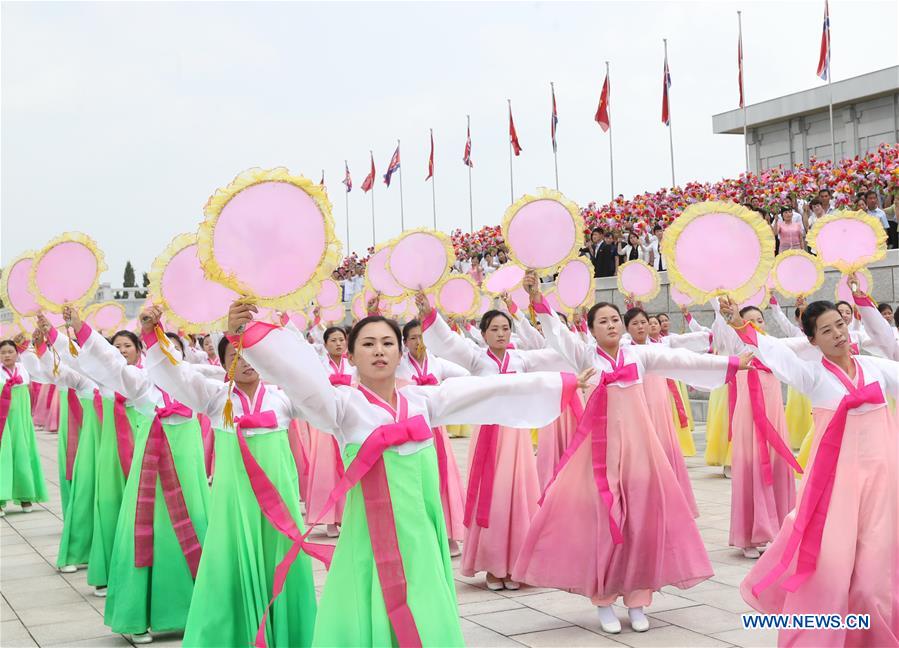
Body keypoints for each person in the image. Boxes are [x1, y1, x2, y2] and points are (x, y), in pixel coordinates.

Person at [230, 304, 590, 647]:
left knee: (424, 604)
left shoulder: (422, 401)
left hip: (421, 534)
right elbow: (298, 376)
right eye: (368, 344)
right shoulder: (343, 407)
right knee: (372, 609)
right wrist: (243, 333)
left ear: (401, 353)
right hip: (369, 539)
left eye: (388, 343)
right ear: (352, 356)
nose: (379, 351)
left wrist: (564, 385)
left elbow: (487, 389)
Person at [513, 280, 750, 634]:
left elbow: (681, 360)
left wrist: (730, 363)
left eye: (614, 319)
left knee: (640, 521)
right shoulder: (585, 357)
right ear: (591, 331)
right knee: (605, 524)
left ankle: (638, 600)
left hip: (640, 453)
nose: (611, 325)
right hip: (598, 457)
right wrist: (538, 301)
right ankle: (605, 599)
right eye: (603, 321)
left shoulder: (639, 355)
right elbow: (559, 335)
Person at [142, 306, 317, 648]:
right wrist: (152, 334)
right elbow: (177, 375)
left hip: (279, 508)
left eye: (253, 353)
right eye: (236, 354)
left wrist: (282, 328)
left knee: (282, 564)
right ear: (222, 364)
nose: (246, 360)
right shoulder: (214, 399)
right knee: (228, 568)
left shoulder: (283, 400)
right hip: (234, 508)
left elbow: (311, 377)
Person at [734, 301, 899, 647]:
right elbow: (779, 356)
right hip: (836, 493)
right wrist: (741, 326)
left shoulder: (876, 368)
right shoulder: (813, 376)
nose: (838, 334)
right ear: (811, 340)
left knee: (874, 584)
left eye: (840, 325)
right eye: (826, 330)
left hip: (883, 491)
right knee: (830, 576)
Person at [65, 307, 210, 644]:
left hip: (188, 472)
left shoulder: (198, 386)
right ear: (151, 357)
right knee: (147, 532)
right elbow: (110, 362)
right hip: (152, 470)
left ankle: (193, 611)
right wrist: (80, 328)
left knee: (197, 527)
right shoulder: (143, 385)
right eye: (160, 352)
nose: (168, 358)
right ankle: (136, 618)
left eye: (173, 351)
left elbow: (235, 368)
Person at [418, 297, 570, 591]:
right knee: (494, 497)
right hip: (488, 436)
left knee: (518, 495)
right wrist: (430, 313)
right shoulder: (477, 360)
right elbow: (449, 343)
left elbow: (556, 355)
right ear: (483, 333)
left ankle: (515, 564)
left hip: (516, 436)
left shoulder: (522, 360)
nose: (501, 334)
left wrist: (542, 307)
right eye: (494, 329)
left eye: (505, 328)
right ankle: (492, 564)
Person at [713, 299, 800, 559]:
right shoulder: (737, 351)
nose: (756, 325)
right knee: (752, 468)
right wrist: (722, 311)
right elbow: (721, 336)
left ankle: (779, 529)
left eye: (760, 320)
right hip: (749, 418)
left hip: (774, 417)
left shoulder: (775, 348)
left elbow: (803, 344)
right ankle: (752, 535)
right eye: (751, 321)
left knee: (776, 466)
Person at [397, 319, 470, 557]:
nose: (419, 342)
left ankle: (448, 533)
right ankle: (420, 535)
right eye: (413, 338)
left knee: (443, 478)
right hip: (409, 428)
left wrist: (442, 392)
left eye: (422, 337)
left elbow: (466, 373)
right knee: (415, 479)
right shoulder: (399, 365)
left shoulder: (438, 363)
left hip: (435, 429)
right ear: (405, 342)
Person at [0, 338, 47, 517]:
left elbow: (41, 372)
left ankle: (25, 496)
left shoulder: (24, 369)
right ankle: (1, 500)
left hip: (21, 419)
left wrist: (29, 346)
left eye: (10, 352)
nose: (6, 355)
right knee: (2, 456)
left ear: (17, 353)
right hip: (2, 421)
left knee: (23, 453)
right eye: (3, 352)